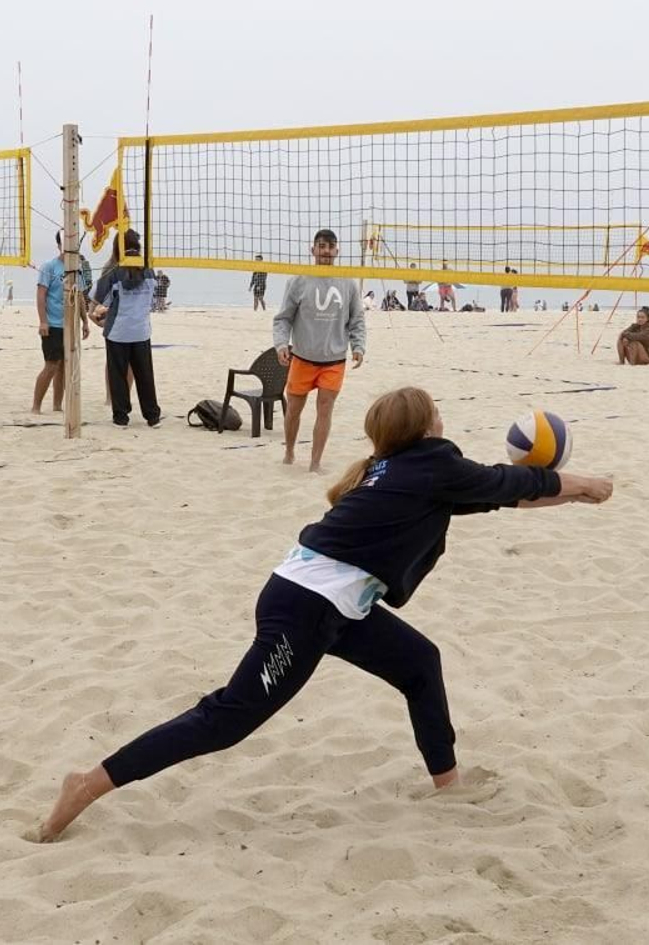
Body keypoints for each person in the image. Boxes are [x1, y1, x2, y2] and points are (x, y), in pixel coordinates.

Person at [33, 385, 616, 842]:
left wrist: (576, 496)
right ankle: (88, 783)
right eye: (437, 414)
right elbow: (506, 478)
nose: (443, 421)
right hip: (306, 610)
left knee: (419, 663)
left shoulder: (406, 471)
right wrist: (583, 479)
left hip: (330, 603)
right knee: (227, 718)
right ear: (425, 428)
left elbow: (504, 494)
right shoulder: (431, 465)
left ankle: (447, 785)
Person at [273, 229, 366, 473]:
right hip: (302, 357)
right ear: (312, 249)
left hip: (334, 360)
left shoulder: (347, 282)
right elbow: (283, 319)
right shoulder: (298, 280)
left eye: (330, 246)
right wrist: (281, 344)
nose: (326, 251)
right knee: (293, 410)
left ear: (337, 251)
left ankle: (315, 463)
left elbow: (357, 319)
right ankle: (290, 452)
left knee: (325, 410)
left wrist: (358, 346)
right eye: (321, 246)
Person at [91, 230, 162, 427]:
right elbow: (153, 298)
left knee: (117, 375)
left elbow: (97, 299)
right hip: (141, 330)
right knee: (145, 374)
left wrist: (98, 314)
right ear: (138, 247)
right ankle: (152, 416)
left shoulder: (114, 271)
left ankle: (121, 417)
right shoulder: (148, 269)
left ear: (117, 247)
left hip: (118, 331)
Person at [33, 232, 92, 414]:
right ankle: (36, 407)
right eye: (65, 244)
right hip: (53, 324)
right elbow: (41, 295)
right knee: (51, 365)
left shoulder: (77, 268)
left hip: (71, 325)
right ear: (59, 245)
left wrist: (85, 321)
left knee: (65, 367)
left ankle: (57, 405)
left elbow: (80, 296)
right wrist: (43, 322)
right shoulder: (49, 267)